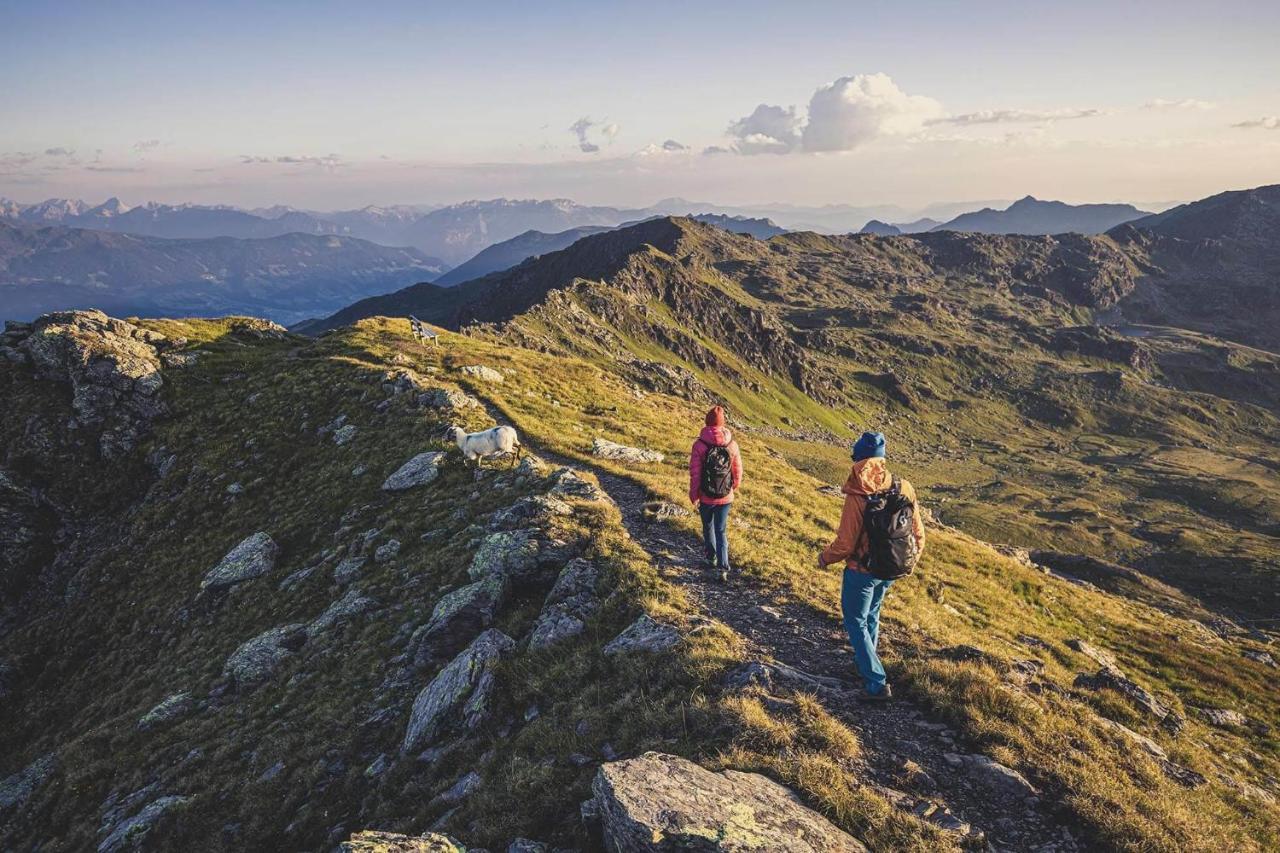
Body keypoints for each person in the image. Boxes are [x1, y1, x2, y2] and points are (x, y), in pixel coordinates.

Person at [817, 431, 925, 701]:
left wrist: (824, 558)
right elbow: (917, 532)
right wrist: (909, 561)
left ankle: (876, 684)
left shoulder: (858, 494)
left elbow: (845, 543)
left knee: (855, 621)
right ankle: (866, 664)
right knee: (871, 615)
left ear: (858, 458)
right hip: (890, 568)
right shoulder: (904, 487)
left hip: (861, 571)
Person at [689, 405, 743, 581]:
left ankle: (710, 557)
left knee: (708, 527)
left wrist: (694, 494)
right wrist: (733, 487)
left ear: (707, 422)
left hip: (706, 495)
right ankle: (723, 567)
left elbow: (695, 473)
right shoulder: (732, 444)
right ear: (723, 423)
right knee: (721, 530)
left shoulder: (699, 445)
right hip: (726, 496)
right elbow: (737, 469)